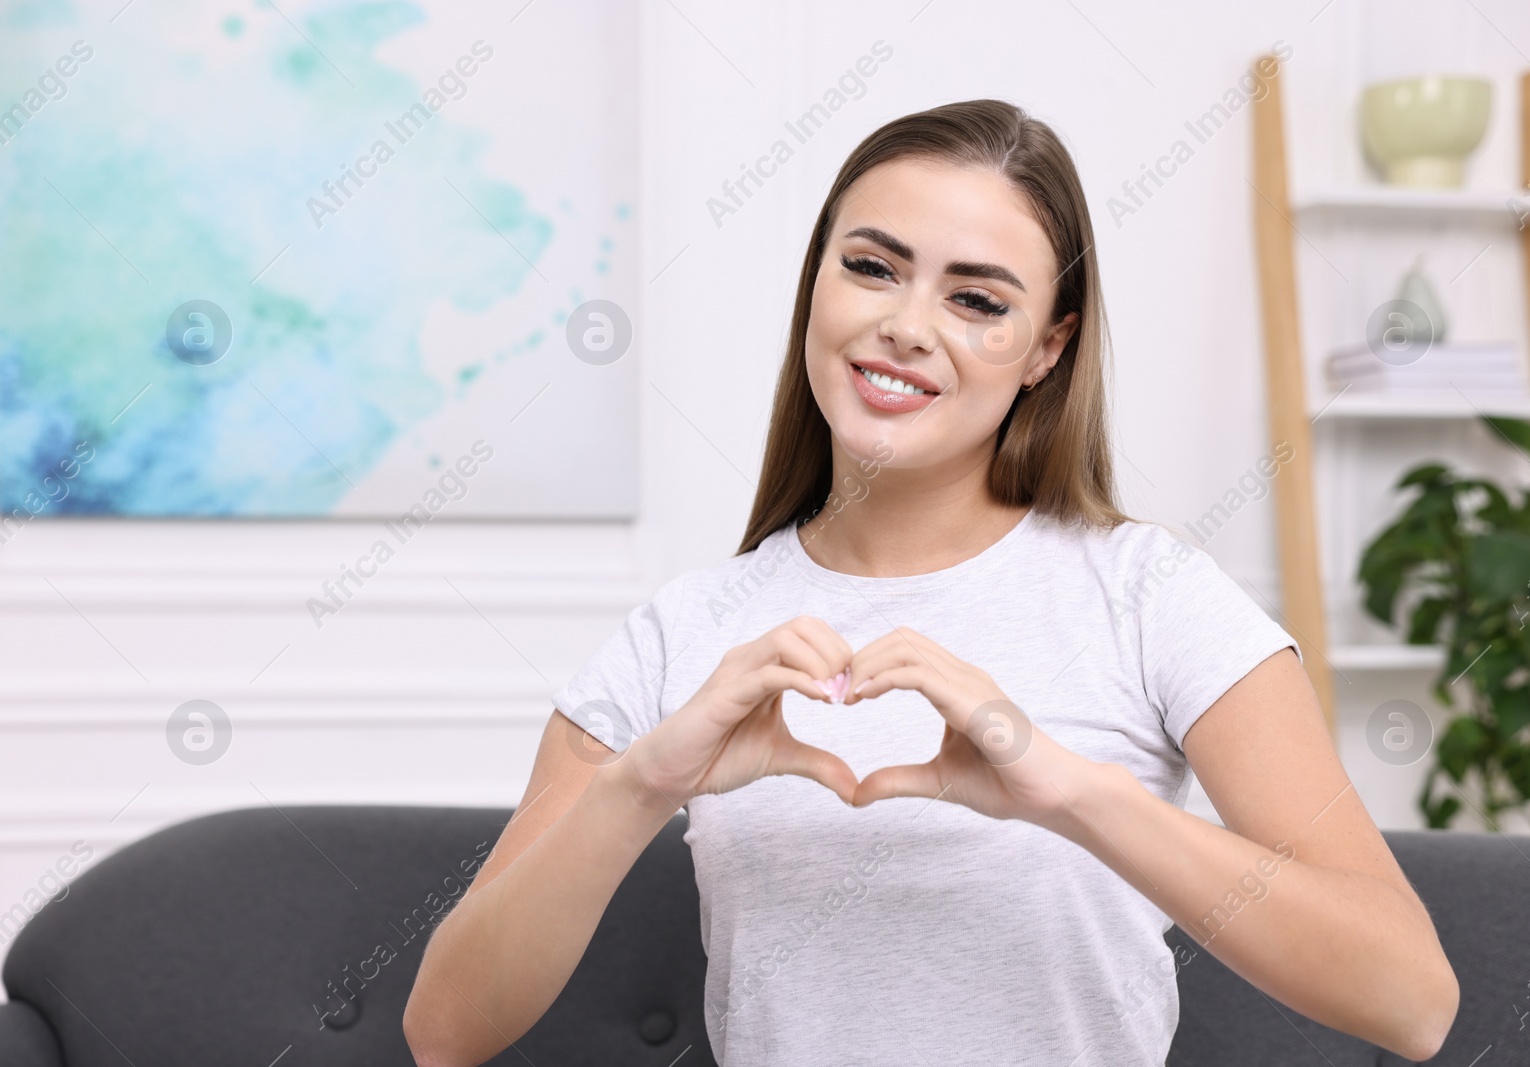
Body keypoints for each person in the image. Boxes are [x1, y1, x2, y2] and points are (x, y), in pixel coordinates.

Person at [403, 98, 1459, 1067]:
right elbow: (443, 1027)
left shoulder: (1153, 596)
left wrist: (1070, 789)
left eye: (975, 299)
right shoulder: (683, 630)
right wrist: (641, 783)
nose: (906, 324)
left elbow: (1410, 998)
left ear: (1046, 348)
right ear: (816, 278)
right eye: (872, 266)